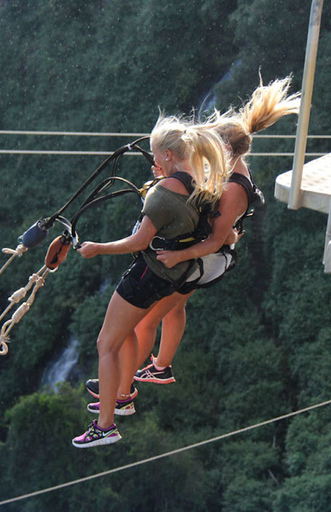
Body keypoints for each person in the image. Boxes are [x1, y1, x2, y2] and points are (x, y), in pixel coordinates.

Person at [85, 77, 301, 404]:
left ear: (224, 150)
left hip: (201, 258)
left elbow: (217, 240)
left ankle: (121, 389)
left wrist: (180, 253)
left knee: (147, 319)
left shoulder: (232, 188)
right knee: (171, 310)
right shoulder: (225, 171)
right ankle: (159, 365)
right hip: (199, 255)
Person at [71, 116, 229, 448]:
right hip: (169, 279)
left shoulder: (161, 194)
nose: (153, 161)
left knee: (106, 344)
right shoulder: (201, 182)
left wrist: (97, 249)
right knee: (125, 332)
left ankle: (106, 425)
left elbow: (139, 242)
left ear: (170, 155)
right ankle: (121, 398)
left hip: (144, 276)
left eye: (157, 155)